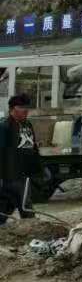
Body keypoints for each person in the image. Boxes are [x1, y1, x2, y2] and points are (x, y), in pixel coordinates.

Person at [0, 93, 42, 224]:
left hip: (25, 175)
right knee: (26, 208)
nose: (26, 110)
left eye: (26, 107)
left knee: (5, 208)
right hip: (10, 175)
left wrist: (38, 170)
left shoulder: (28, 125)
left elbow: (33, 148)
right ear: (13, 109)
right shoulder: (4, 127)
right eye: (22, 107)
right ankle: (33, 230)